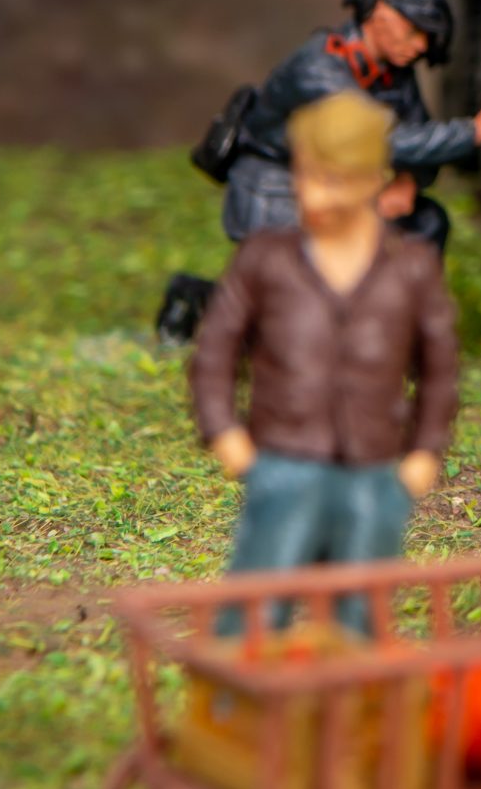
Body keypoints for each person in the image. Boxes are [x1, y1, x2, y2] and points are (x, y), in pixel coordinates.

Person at [189, 92, 459, 635]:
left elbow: (439, 366)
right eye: (306, 175)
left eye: (334, 180)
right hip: (285, 459)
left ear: (373, 180)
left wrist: (425, 450)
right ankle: (237, 683)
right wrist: (224, 432)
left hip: (374, 466)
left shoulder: (410, 268)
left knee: (360, 609)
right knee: (258, 598)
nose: (314, 195)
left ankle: (348, 684)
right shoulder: (266, 259)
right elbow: (215, 350)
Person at [156, 0, 481, 342]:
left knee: (425, 223)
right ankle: (198, 300)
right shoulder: (317, 69)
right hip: (279, 188)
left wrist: (407, 181)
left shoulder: (396, 73)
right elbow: (385, 140)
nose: (419, 46)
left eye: (426, 39)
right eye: (414, 31)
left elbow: (420, 139)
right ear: (380, 14)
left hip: (340, 187)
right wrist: (476, 130)